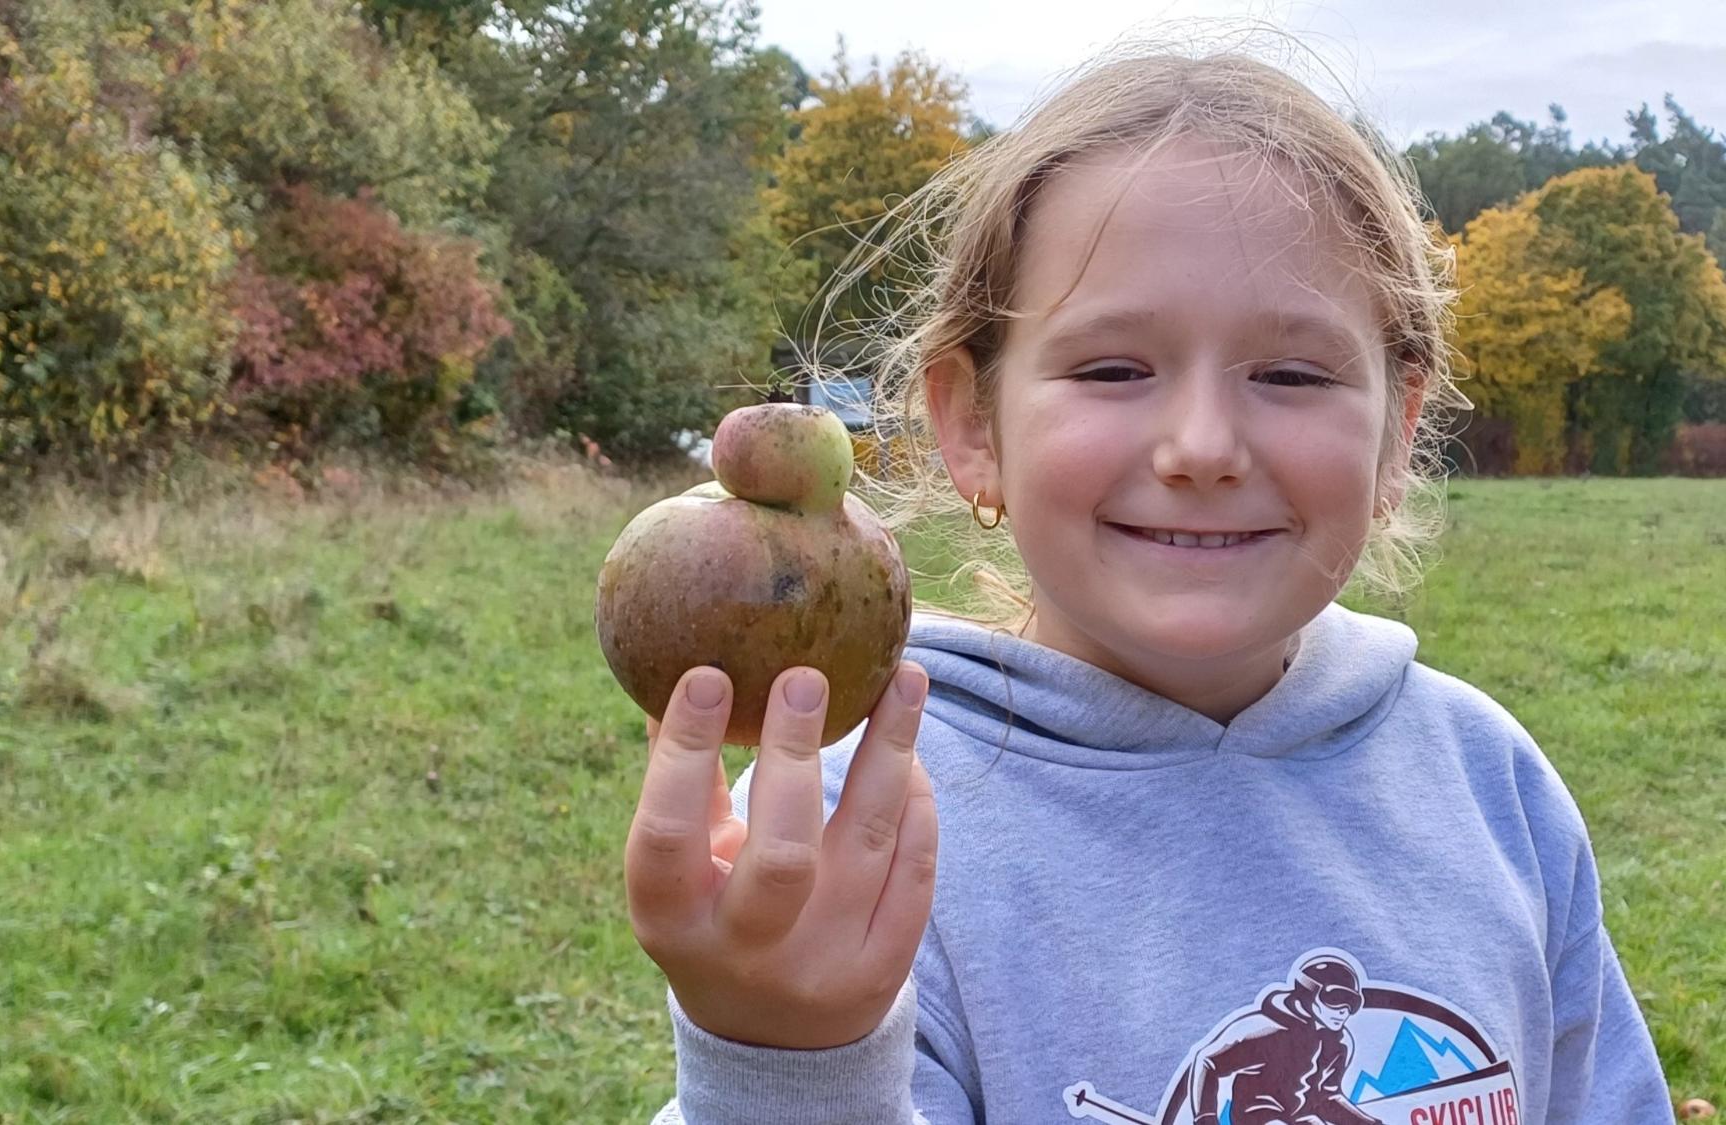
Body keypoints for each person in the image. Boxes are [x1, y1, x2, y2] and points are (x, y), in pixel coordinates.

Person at [623, 44, 1675, 1125]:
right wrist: (790, 1067)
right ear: (971, 424)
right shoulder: (852, 833)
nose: (1201, 447)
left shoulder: (1488, 786)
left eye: (1290, 374)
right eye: (1112, 369)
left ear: (1395, 433)